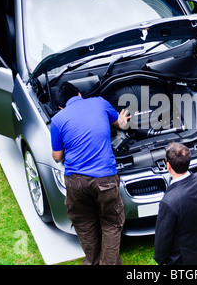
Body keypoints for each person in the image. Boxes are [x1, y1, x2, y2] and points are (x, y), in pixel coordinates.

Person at [50, 81, 130, 265]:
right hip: (105, 179)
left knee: (84, 224)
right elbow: (118, 123)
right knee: (111, 222)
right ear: (79, 94)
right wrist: (124, 120)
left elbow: (56, 156)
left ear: (61, 106)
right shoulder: (99, 102)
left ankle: (92, 262)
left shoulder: (58, 119)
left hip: (76, 181)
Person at [153, 142, 197, 265]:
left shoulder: (169, 202)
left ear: (168, 166)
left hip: (180, 259)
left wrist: (161, 260)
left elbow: (162, 239)